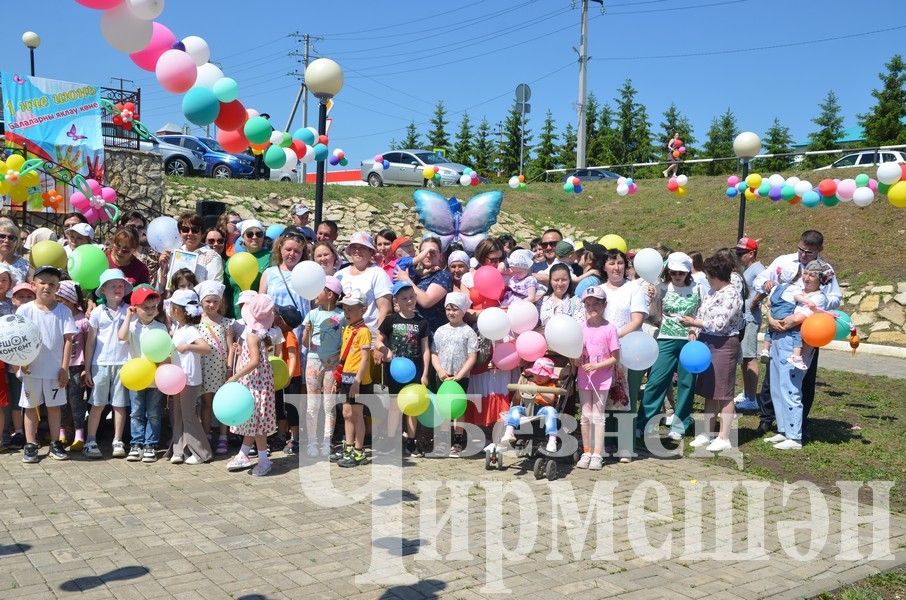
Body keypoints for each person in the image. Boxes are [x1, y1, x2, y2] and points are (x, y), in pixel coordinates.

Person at [752, 230, 841, 437]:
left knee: (802, 379)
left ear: (819, 250)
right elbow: (761, 280)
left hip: (807, 330)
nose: (803, 255)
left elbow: (835, 297)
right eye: (800, 249)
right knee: (773, 377)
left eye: (808, 252)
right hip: (777, 324)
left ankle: (798, 424)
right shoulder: (784, 261)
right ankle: (768, 419)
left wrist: (815, 302)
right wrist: (766, 286)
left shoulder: (825, 271)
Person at [763, 259, 832, 450]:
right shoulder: (797, 293)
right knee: (777, 386)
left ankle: (795, 436)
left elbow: (797, 319)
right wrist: (772, 320)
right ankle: (784, 429)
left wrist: (778, 323)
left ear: (820, 279)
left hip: (796, 345)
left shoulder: (818, 299)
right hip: (778, 338)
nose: (807, 277)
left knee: (790, 387)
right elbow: (771, 308)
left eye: (812, 275)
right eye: (806, 273)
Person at [681, 252, 744, 453]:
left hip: (724, 343)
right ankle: (706, 432)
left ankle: (724, 435)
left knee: (724, 392)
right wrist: (694, 330)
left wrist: (694, 323)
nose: (706, 278)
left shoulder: (731, 294)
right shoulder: (711, 292)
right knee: (709, 390)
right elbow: (701, 313)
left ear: (716, 275)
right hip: (707, 342)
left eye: (709, 275)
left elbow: (719, 323)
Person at [638, 253, 702, 440]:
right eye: (673, 272)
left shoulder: (697, 288)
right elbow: (651, 313)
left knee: (686, 383)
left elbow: (701, 311)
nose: (677, 276)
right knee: (656, 382)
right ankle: (644, 422)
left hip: (689, 341)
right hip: (665, 338)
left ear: (688, 272)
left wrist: (694, 330)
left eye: (681, 273)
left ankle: (680, 425)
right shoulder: (661, 288)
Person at [16, 266, 76, 463]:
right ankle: (31, 444)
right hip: (31, 370)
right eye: (42, 282)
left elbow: (69, 340)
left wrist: (64, 368)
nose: (47, 287)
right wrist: (21, 363)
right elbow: (17, 338)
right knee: (31, 407)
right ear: (34, 285)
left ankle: (55, 443)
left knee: (54, 407)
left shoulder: (64, 311)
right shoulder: (24, 310)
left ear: (58, 287)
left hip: (54, 371)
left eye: (52, 284)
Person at [601, 248, 650, 456]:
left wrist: (614, 337)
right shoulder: (598, 289)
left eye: (620, 263)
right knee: (605, 398)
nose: (616, 267)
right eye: (612, 263)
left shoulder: (634, 289)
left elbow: (637, 320)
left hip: (628, 349)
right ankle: (607, 443)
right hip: (602, 351)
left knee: (626, 398)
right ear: (604, 267)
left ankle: (626, 447)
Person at [376, 281, 430, 456]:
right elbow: (378, 340)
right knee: (394, 407)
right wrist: (386, 350)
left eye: (412, 297)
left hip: (415, 372)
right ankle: (392, 440)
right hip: (394, 372)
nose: (409, 301)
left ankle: (412, 442)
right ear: (396, 301)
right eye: (404, 298)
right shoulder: (391, 320)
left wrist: (425, 374)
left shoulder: (421, 322)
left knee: (412, 407)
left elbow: (426, 350)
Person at [226, 293, 277, 475]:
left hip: (256, 384)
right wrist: (241, 351)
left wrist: (235, 376)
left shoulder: (252, 335)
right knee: (253, 421)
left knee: (257, 426)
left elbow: (255, 361)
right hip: (258, 383)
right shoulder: (259, 333)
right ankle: (243, 453)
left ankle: (264, 461)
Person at [83, 269, 132, 459]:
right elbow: (90, 342)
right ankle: (91, 440)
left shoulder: (129, 310)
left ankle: (117, 440)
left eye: (121, 285)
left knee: (120, 404)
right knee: (97, 403)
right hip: (100, 363)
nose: (117, 289)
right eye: (113, 286)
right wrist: (87, 369)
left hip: (123, 363)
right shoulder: (97, 312)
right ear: (103, 290)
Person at [574, 286, 621, 470]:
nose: (592, 307)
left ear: (604, 305)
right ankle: (586, 451)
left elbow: (615, 357)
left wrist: (596, 366)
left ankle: (597, 454)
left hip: (602, 379)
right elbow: (575, 354)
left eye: (596, 304)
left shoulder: (609, 328)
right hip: (584, 378)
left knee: (598, 416)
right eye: (588, 304)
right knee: (585, 415)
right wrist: (576, 360)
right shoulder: (580, 328)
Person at [118, 285, 167, 463]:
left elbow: (164, 351)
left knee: (153, 413)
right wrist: (128, 316)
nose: (150, 311)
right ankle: (136, 444)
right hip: (136, 378)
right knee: (136, 412)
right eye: (145, 308)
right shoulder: (131, 326)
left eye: (153, 307)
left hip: (154, 378)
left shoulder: (161, 327)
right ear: (135, 308)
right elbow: (121, 337)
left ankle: (150, 444)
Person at [167, 289, 214, 465]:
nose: (170, 309)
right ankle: (179, 450)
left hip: (189, 379)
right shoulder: (177, 328)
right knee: (177, 415)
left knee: (188, 415)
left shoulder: (191, 330)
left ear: (179, 310)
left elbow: (206, 348)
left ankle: (203, 452)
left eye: (172, 306)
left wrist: (187, 347)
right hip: (176, 379)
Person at [430, 292, 478, 457]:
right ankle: (443, 439)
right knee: (443, 408)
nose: (451, 313)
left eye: (455, 309)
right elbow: (434, 353)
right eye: (448, 309)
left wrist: (460, 375)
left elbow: (472, 356)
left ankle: (458, 440)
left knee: (458, 410)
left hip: (460, 377)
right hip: (443, 376)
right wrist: (440, 371)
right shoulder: (440, 331)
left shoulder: (468, 332)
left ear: (463, 311)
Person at [302, 276, 345, 457]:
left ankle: (327, 441)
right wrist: (306, 331)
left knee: (329, 404)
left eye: (318, 290)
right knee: (312, 405)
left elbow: (343, 342)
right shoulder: (312, 314)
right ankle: (312, 442)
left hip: (332, 363)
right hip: (313, 361)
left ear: (329, 294)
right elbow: (305, 343)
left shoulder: (342, 316)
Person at [332, 291, 372, 468]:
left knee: (357, 416)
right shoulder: (347, 328)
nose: (347, 313)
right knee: (346, 414)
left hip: (358, 380)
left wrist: (357, 381)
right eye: (345, 309)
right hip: (346, 377)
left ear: (363, 310)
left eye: (351, 309)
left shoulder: (364, 331)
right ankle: (348, 447)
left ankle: (359, 451)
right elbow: (344, 355)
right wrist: (339, 378)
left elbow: (365, 358)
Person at [196, 281, 234, 455]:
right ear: (201, 301)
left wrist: (229, 368)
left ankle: (224, 436)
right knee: (206, 402)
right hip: (203, 367)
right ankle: (206, 434)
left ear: (221, 303)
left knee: (223, 403)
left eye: (215, 301)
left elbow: (230, 347)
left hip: (220, 368)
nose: (211, 305)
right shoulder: (197, 321)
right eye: (208, 301)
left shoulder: (226, 323)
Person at [335, 232, 392, 336]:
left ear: (370, 251)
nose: (357, 250)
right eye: (354, 247)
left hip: (368, 337)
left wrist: (379, 339)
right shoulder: (340, 274)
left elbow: (385, 310)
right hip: (341, 337)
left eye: (362, 247)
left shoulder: (378, 273)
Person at [56, 280, 89, 453]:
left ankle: (79, 434)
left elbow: (89, 345)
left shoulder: (82, 320)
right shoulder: (57, 317)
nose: (59, 303)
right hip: (59, 366)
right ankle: (61, 432)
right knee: (61, 401)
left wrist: (86, 368)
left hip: (77, 366)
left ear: (71, 301)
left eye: (62, 300)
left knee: (76, 401)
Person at [733, 237, 765, 411]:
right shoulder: (749, 268)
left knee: (749, 357)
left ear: (751, 253)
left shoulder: (758, 268)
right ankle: (747, 392)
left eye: (741, 253)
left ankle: (751, 398)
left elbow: (767, 286)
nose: (738, 256)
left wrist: (755, 301)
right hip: (745, 316)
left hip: (750, 317)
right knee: (744, 357)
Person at [394, 237, 451, 333]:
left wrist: (406, 280)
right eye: (424, 252)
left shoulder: (443, 275)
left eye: (432, 252)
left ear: (440, 255)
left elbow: (426, 301)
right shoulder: (416, 276)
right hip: (410, 332)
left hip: (431, 333)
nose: (428, 255)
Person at [157, 212, 224, 289]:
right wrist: (163, 269)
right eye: (185, 229)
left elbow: (215, 288)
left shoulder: (212, 257)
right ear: (180, 233)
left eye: (195, 230)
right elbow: (161, 288)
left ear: (202, 233)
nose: (190, 233)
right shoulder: (173, 253)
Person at [225, 219, 271, 318]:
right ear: (242, 238)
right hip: (235, 317)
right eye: (250, 234)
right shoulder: (233, 261)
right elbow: (226, 291)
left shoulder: (272, 258)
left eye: (259, 234)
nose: (254, 237)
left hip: (259, 318)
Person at [274, 305, 303, 455]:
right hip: (281, 375)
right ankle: (281, 435)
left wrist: (289, 376)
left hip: (291, 377)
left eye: (280, 316)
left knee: (291, 407)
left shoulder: (290, 335)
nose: (276, 318)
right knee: (279, 406)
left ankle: (296, 438)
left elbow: (292, 357)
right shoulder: (279, 333)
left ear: (285, 321)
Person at [0, 218, 30, 287]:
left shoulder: (24, 265)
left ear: (16, 241)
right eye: (2, 236)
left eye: (11, 238)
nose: (6, 240)